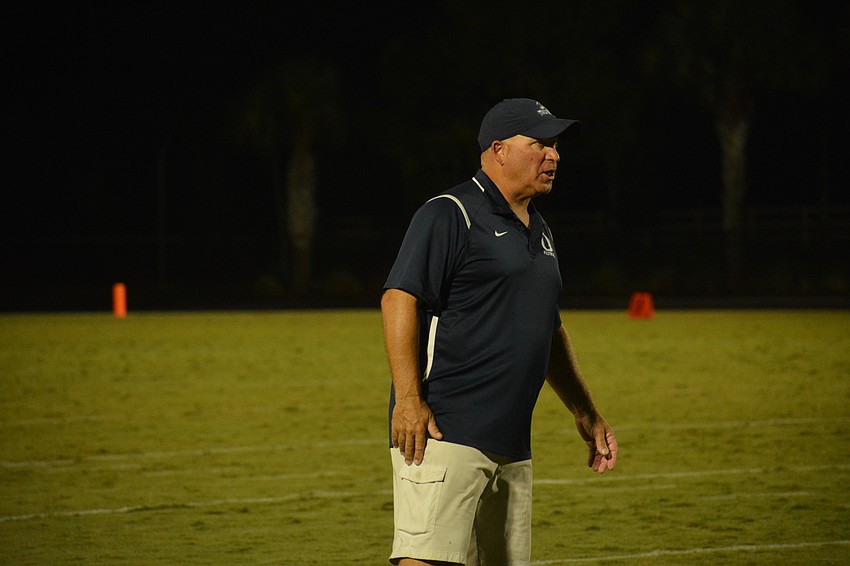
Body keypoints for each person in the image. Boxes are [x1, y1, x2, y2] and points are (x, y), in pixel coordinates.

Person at [381, 98, 618, 566]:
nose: (553, 155)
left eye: (555, 146)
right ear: (499, 150)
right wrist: (408, 400)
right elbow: (398, 298)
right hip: (445, 431)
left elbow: (547, 329)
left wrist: (585, 411)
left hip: (512, 441)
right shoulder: (450, 213)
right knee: (427, 559)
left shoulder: (541, 230)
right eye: (539, 144)